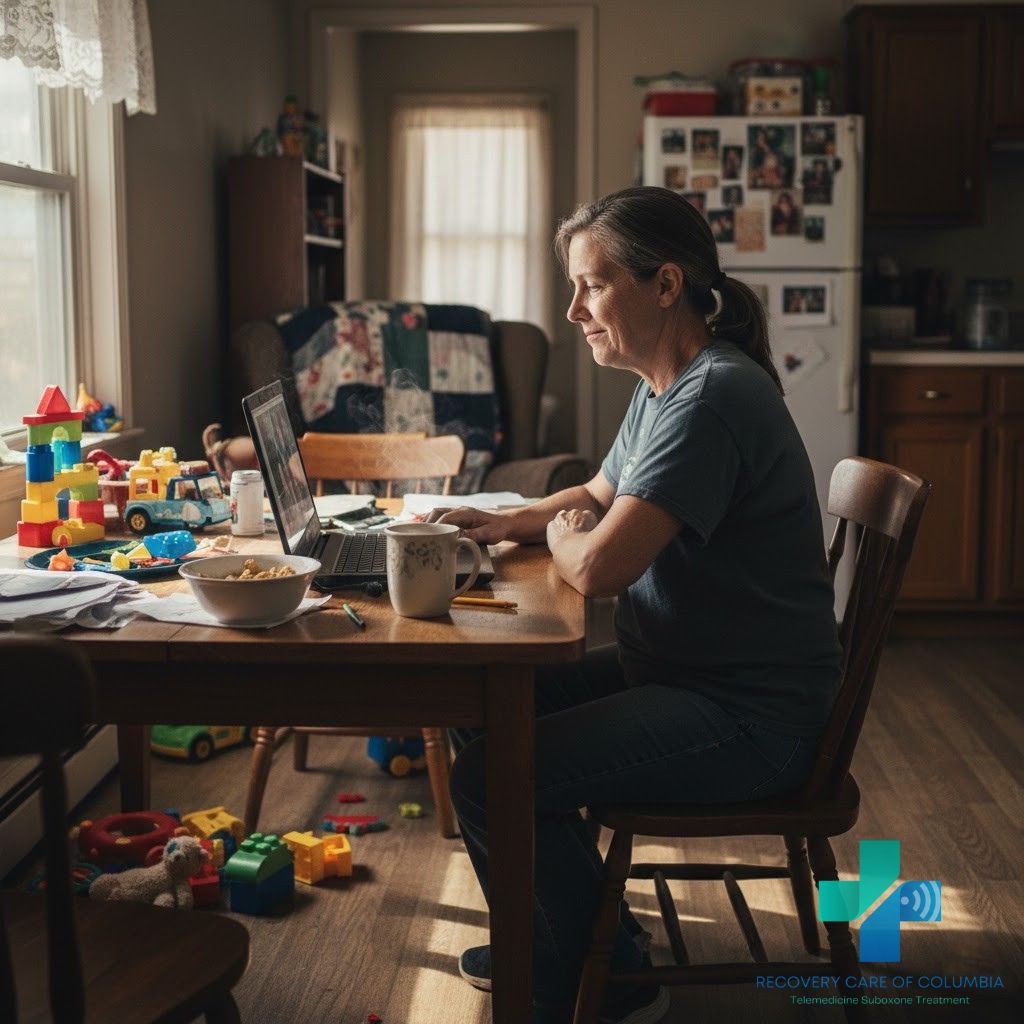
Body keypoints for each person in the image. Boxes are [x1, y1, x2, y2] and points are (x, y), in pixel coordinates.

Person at [430, 186, 842, 1024]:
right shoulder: (665, 385)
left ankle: (602, 977)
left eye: (592, 285)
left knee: (487, 777)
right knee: (479, 703)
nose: (574, 310)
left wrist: (568, 541)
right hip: (687, 673)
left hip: (752, 718)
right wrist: (507, 521)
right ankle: (570, 938)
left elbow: (599, 567)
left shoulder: (711, 398)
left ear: (665, 284)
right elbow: (594, 494)